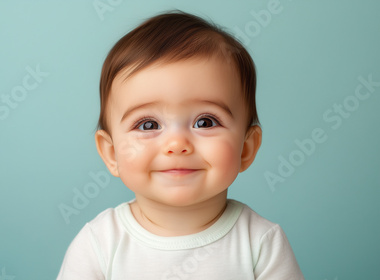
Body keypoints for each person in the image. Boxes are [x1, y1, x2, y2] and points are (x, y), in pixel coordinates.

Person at [57, 11, 304, 279]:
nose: (177, 144)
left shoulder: (261, 243)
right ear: (111, 153)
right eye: (148, 125)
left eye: (206, 122)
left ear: (246, 148)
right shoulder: (99, 245)